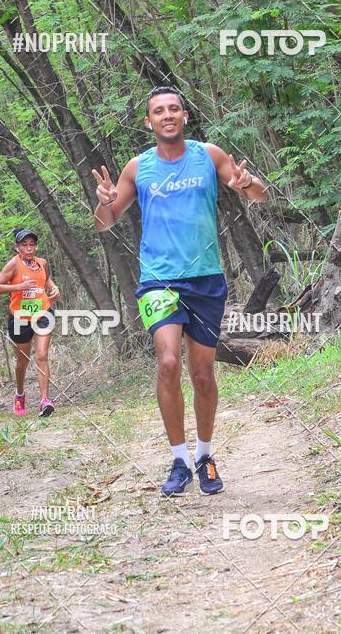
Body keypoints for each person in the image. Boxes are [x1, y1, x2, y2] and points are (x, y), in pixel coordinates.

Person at [92, 87, 268, 496]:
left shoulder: (209, 155)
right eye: (159, 111)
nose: (167, 115)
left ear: (185, 116)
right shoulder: (138, 167)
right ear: (148, 122)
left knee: (202, 373)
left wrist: (249, 182)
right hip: (158, 279)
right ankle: (178, 460)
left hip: (206, 278)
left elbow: (258, 196)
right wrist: (103, 202)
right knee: (168, 362)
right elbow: (106, 222)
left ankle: (204, 456)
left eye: (174, 109)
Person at [0, 228, 60, 417]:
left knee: (42, 355)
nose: (29, 248)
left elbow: (47, 280)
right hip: (20, 317)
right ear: (17, 247)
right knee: (23, 361)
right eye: (24, 245)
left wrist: (54, 289)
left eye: (32, 245)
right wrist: (18, 287)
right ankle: (20, 393)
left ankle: (45, 400)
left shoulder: (42, 263)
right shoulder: (13, 265)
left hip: (43, 314)